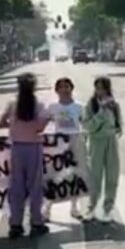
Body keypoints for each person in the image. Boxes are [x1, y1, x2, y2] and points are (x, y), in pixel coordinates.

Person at [0, 73, 50, 239]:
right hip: (34, 148)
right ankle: (36, 222)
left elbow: (1, 123)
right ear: (34, 87)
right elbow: (40, 128)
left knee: (16, 187)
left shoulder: (12, 105)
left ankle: (15, 224)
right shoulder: (39, 105)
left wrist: (13, 125)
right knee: (35, 187)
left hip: (16, 149)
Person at [43, 77, 85, 221]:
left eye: (67, 86)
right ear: (56, 90)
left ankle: (74, 208)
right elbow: (41, 124)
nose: (64, 89)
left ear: (71, 88)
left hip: (75, 142)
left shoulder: (79, 107)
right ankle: (47, 210)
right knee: (54, 178)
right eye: (61, 87)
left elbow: (85, 124)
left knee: (74, 176)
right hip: (58, 144)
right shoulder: (53, 107)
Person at [82, 76, 122, 223]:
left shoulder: (114, 104)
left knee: (112, 174)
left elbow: (119, 125)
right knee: (95, 175)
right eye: (98, 88)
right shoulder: (91, 105)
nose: (101, 91)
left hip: (111, 140)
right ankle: (91, 207)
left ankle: (108, 208)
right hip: (96, 141)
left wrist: (114, 123)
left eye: (103, 88)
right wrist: (100, 112)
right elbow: (87, 126)